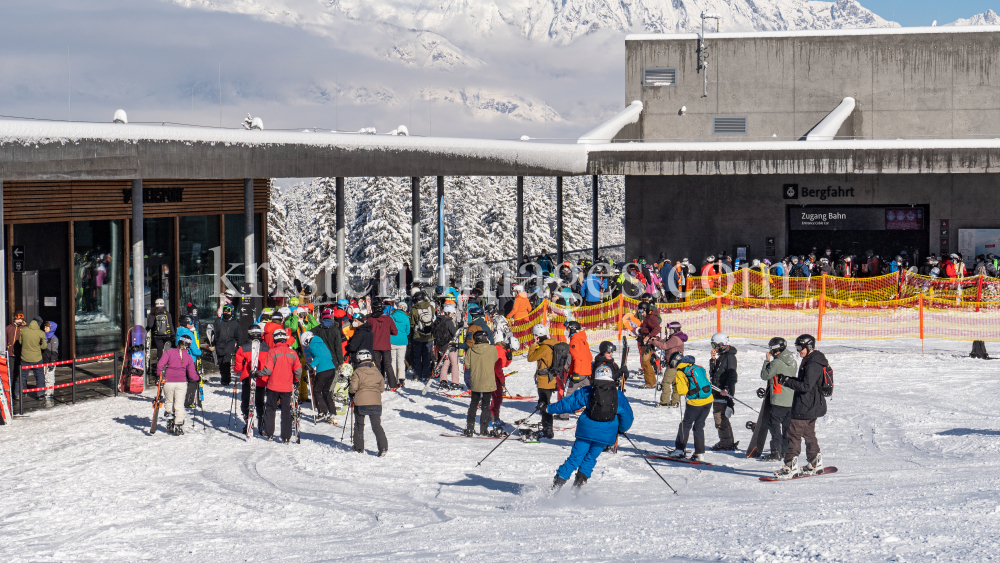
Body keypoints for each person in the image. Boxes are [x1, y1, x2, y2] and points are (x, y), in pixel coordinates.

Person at [548, 365, 634, 489]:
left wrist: (548, 408)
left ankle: (556, 486)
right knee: (590, 458)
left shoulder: (589, 390)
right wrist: (621, 429)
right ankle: (577, 487)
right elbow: (627, 416)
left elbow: (570, 404)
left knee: (575, 459)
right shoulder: (618, 395)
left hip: (586, 432)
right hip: (606, 434)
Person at [773, 334, 829, 480]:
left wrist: (787, 382)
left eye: (800, 348)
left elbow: (805, 386)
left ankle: (790, 467)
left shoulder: (813, 363)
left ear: (809, 346)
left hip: (805, 405)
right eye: (797, 348)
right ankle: (815, 463)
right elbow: (806, 382)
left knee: (793, 434)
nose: (798, 351)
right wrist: (789, 379)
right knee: (808, 434)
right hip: (811, 404)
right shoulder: (812, 360)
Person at [667, 353, 714, 461]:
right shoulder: (696, 367)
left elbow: (682, 391)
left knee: (686, 425)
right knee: (699, 426)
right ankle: (700, 453)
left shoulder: (680, 372)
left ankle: (679, 450)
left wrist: (675, 385)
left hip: (695, 402)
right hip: (708, 400)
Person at [259, 329, 302, 444]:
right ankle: (286, 436)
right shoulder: (292, 353)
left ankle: (269, 433)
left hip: (273, 386)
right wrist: (296, 380)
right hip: (287, 387)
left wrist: (258, 373)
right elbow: (298, 370)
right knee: (286, 411)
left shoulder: (272, 352)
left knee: (270, 409)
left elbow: (268, 371)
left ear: (275, 339)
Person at [760, 337, 798, 461]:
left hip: (779, 398)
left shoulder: (776, 363)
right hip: (790, 398)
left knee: (774, 424)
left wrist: (767, 361)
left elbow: (765, 375)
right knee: (787, 426)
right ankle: (784, 451)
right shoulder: (792, 360)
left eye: (771, 348)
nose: (770, 350)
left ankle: (776, 450)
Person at [156, 333, 199, 436]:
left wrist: (159, 374)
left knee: (169, 401)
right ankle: (179, 426)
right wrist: (197, 378)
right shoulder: (188, 357)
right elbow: (192, 374)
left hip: (168, 381)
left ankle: (170, 420)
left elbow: (160, 365)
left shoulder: (169, 352)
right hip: (181, 383)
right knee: (179, 404)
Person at [349, 349, 388, 456]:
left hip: (361, 402)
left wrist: (352, 392)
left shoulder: (357, 372)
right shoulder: (377, 371)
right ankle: (383, 447)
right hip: (375, 403)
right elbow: (381, 388)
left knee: (359, 425)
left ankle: (359, 447)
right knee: (376, 426)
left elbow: (353, 388)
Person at [463, 331, 499, 436]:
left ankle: (470, 427)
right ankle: (484, 429)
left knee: (473, 404)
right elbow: (495, 360)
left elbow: (467, 365)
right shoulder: (492, 349)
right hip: (488, 380)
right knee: (486, 405)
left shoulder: (470, 350)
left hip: (476, 380)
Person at [527, 324, 560, 439]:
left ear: (537, 336)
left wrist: (533, 345)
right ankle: (547, 428)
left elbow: (530, 358)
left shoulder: (544, 347)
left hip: (544, 380)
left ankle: (547, 430)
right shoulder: (553, 343)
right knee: (546, 403)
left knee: (544, 405)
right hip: (552, 379)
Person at [236, 324, 270, 433]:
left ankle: (248, 421)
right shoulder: (268, 348)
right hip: (262, 378)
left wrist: (238, 370)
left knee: (246, 401)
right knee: (260, 402)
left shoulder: (243, 348)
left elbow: (238, 367)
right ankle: (262, 424)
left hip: (247, 378)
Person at [709, 332, 739, 451]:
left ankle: (726, 443)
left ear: (721, 344)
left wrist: (726, 388)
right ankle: (727, 441)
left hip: (723, 392)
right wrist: (713, 360)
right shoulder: (722, 356)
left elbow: (732, 375)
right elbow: (714, 374)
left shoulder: (729, 357)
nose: (714, 348)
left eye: (714, 345)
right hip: (717, 390)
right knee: (720, 415)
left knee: (720, 417)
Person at [299, 330, 337, 422]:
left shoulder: (312, 345)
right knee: (326, 391)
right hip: (331, 369)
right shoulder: (321, 343)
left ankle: (323, 412)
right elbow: (328, 355)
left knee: (316, 391)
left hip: (323, 370)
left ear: (307, 340)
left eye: (305, 343)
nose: (306, 345)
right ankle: (332, 412)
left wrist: (311, 365)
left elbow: (318, 357)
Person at [366, 298, 398, 388]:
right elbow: (395, 332)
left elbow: (367, 331)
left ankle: (378, 384)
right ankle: (392, 384)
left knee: (376, 365)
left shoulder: (370, 319)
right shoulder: (388, 319)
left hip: (374, 345)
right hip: (386, 345)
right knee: (388, 365)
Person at [655, 321, 688, 407]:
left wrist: (653, 342)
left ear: (675, 329)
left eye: (670, 329)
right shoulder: (676, 337)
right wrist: (657, 339)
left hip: (673, 364)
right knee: (675, 382)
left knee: (666, 382)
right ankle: (675, 401)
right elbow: (665, 342)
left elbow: (664, 346)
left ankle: (665, 401)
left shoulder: (675, 338)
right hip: (676, 364)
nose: (669, 331)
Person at [433, 304, 461, 390]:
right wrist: (459, 327)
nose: (453, 314)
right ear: (449, 313)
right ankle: (455, 382)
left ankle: (443, 381)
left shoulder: (439, 320)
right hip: (450, 346)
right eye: (452, 313)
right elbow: (455, 333)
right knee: (454, 364)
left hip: (441, 346)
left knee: (445, 363)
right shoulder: (449, 321)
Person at [409, 291, 436, 382]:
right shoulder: (430, 307)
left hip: (417, 336)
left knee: (417, 356)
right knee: (427, 355)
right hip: (428, 336)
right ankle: (427, 375)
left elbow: (412, 323)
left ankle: (417, 375)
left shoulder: (414, 309)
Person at [19, 316, 47, 400]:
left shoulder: (23, 330)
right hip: (37, 358)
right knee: (39, 376)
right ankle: (40, 394)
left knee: (22, 376)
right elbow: (44, 346)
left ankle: (19, 393)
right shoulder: (40, 333)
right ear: (39, 323)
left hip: (25, 357)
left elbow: (20, 342)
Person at [215, 304, 242, 387]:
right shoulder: (218, 321)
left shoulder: (235, 323)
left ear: (232, 312)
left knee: (226, 363)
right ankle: (224, 376)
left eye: (228, 311)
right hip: (219, 345)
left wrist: (239, 347)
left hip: (229, 345)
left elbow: (239, 336)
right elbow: (214, 333)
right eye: (225, 310)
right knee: (220, 363)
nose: (226, 312)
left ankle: (226, 380)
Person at [490, 339, 514, 430]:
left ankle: (493, 417)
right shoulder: (500, 351)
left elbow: (505, 364)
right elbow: (498, 367)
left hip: (491, 375)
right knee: (497, 398)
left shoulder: (499, 349)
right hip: (494, 377)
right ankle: (493, 418)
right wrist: (502, 380)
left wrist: (509, 358)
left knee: (495, 398)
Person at [565, 320, 593, 400]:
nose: (566, 331)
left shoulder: (574, 341)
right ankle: (591, 412)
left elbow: (577, 358)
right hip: (585, 373)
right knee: (588, 396)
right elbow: (589, 357)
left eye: (567, 329)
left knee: (568, 395)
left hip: (577, 373)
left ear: (572, 329)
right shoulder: (583, 340)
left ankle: (564, 413)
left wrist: (576, 373)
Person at [637, 303, 661, 388]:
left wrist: (648, 336)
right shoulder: (648, 317)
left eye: (641, 311)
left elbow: (657, 328)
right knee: (646, 363)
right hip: (644, 342)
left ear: (646, 309)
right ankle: (652, 382)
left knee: (646, 363)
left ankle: (650, 383)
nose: (640, 313)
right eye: (639, 311)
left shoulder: (651, 317)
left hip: (647, 344)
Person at [389, 301, 411, 387]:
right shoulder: (406, 318)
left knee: (393, 360)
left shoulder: (391, 317)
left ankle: (393, 378)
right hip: (402, 341)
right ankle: (401, 379)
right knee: (401, 360)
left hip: (392, 340)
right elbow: (408, 331)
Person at [6, 311, 24, 398]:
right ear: (14, 319)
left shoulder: (24, 328)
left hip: (20, 354)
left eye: (20, 319)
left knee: (19, 373)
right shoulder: (9, 328)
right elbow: (5, 339)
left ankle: (18, 391)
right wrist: (7, 347)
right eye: (18, 319)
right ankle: (10, 391)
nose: (19, 321)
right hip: (10, 354)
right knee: (11, 373)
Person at [40, 321, 58, 408]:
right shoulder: (43, 337)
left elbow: (54, 351)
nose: (45, 329)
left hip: (49, 361)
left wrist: (52, 362)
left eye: (47, 328)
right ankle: (44, 391)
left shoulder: (54, 339)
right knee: (43, 377)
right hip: (43, 361)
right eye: (44, 327)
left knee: (49, 377)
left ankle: (49, 393)